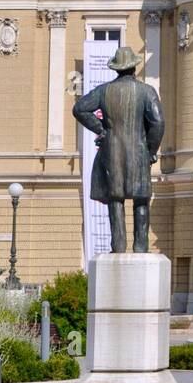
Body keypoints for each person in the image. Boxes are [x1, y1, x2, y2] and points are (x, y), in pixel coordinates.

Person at [72, 47, 164, 253]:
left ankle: (118, 247)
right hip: (139, 152)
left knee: (116, 199)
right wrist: (150, 150)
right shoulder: (146, 91)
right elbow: (158, 122)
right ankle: (141, 247)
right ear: (134, 67)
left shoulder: (103, 90)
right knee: (141, 199)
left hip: (111, 150)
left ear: (117, 69)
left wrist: (101, 129)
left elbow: (79, 108)